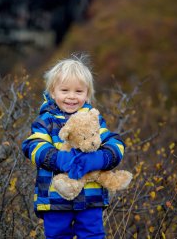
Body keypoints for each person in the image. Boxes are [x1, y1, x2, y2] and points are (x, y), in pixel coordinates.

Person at [22, 54, 126, 238]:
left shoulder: (93, 119)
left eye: (79, 91)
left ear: (87, 94)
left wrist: (98, 159)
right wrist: (59, 159)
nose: (71, 97)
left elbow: (115, 144)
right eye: (64, 90)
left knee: (92, 235)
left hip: (90, 197)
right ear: (53, 92)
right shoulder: (46, 120)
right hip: (55, 198)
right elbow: (32, 145)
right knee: (57, 235)